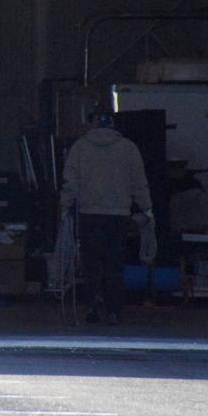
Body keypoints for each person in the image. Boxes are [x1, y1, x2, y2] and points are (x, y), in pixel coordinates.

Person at [59, 110, 153, 326]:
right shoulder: (129, 148)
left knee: (91, 264)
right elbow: (139, 182)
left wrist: (64, 207)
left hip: (89, 215)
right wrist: (147, 209)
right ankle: (114, 312)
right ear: (113, 124)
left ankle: (92, 306)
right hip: (118, 216)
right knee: (114, 265)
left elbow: (70, 182)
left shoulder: (80, 148)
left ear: (93, 123)